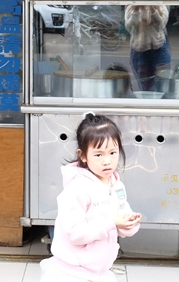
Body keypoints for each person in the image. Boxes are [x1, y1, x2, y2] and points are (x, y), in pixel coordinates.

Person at [40, 114, 141, 282]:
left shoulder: (116, 185)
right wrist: (112, 223)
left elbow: (122, 221)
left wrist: (129, 223)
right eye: (98, 155)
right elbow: (75, 233)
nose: (107, 161)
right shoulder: (77, 189)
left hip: (99, 272)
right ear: (83, 155)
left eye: (112, 152)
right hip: (72, 274)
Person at [124, 5, 171, 92]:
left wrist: (152, 8)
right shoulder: (131, 7)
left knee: (162, 84)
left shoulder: (161, 6)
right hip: (139, 50)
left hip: (158, 47)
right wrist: (136, 9)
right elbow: (128, 26)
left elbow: (160, 26)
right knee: (145, 86)